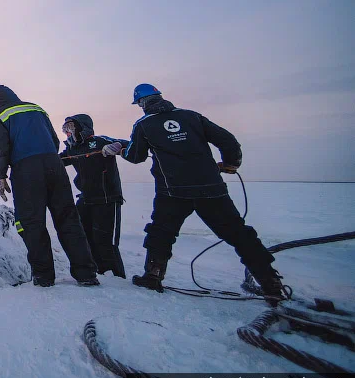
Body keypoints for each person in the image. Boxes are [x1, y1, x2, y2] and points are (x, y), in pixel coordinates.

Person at [114, 83, 287, 301]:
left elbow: (135, 156)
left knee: (161, 233)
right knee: (240, 234)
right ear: (159, 96)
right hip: (212, 189)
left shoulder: (144, 124)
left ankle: (153, 275)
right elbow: (228, 140)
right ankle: (271, 282)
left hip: (173, 192)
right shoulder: (192, 117)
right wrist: (231, 164)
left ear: (141, 103)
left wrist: (122, 150)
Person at [0, 85, 100, 287]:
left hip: (26, 171)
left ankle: (43, 276)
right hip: (55, 165)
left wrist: (0, 176)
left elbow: (1, 146)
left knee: (31, 222)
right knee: (68, 219)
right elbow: (55, 140)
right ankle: (86, 273)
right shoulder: (36, 108)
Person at [59, 114, 127, 278]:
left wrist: (118, 146)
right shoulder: (72, 149)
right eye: (65, 129)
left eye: (70, 128)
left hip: (107, 197)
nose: (68, 132)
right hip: (86, 197)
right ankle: (95, 269)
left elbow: (128, 145)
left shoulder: (100, 141)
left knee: (103, 239)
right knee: (83, 235)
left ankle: (114, 274)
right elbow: (56, 160)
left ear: (82, 127)